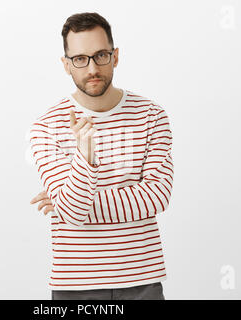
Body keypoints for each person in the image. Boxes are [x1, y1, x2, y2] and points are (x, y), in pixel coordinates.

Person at [28, 12, 174, 300]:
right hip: (75, 286)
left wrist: (69, 199)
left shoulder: (151, 116)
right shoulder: (46, 126)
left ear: (115, 56)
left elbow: (158, 196)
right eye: (80, 59)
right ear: (66, 65)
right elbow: (71, 214)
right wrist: (86, 158)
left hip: (142, 280)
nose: (92, 67)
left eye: (101, 55)